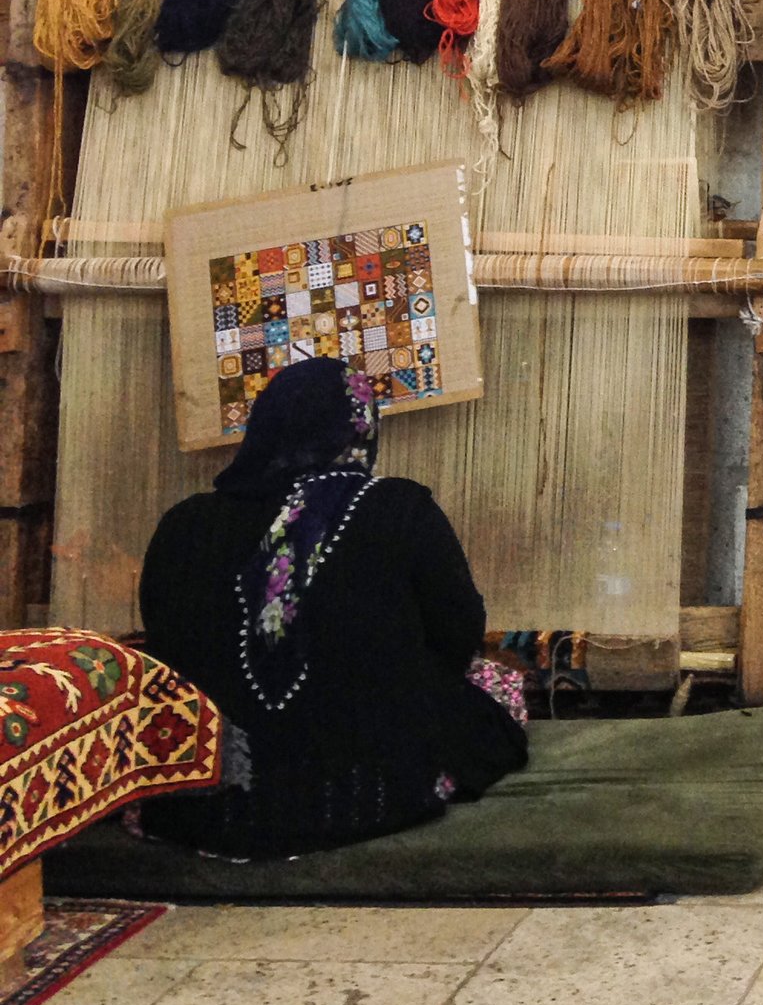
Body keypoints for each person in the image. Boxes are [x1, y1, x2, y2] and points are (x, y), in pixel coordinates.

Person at [139, 359, 528, 856]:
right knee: (497, 687)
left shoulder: (183, 525)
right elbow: (459, 634)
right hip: (365, 796)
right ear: (361, 430)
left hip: (202, 804)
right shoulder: (397, 507)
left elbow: (166, 646)